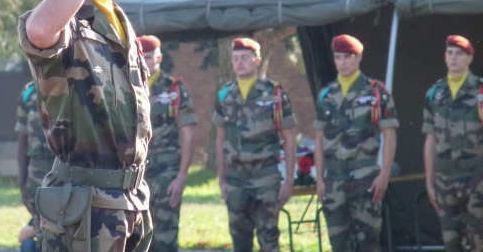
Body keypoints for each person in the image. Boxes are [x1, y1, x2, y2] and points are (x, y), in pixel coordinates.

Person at [18, 0, 152, 252]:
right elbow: (39, 29)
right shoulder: (70, 21)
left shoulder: (118, 19)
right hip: (85, 210)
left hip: (129, 203)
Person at [314, 34, 398, 251]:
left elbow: (389, 134)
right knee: (339, 244)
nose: (343, 63)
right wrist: (320, 179)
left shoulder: (376, 92)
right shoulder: (326, 95)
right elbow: (319, 138)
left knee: (368, 242)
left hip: (365, 178)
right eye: (338, 57)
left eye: (348, 57)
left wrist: (384, 173)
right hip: (334, 180)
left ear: (359, 58)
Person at [213, 37, 297, 252]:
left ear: (257, 60)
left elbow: (289, 137)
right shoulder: (224, 95)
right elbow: (220, 139)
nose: (239, 63)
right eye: (235, 58)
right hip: (235, 179)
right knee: (240, 240)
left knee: (269, 238)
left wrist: (288, 180)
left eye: (245, 58)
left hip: (265, 178)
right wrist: (221, 179)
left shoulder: (275, 94)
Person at [423, 35, 483, 251]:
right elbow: (430, 139)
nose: (453, 58)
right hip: (445, 179)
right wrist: (430, 181)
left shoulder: (480, 91)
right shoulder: (435, 93)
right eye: (449, 53)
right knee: (451, 242)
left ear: (469, 58)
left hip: (476, 178)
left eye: (459, 54)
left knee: (479, 240)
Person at [137, 35, 197, 252]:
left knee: (165, 239)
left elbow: (188, 135)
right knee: (134, 240)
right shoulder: (125, 89)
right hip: (133, 177)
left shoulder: (174, 90)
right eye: (141, 56)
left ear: (159, 58)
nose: (145, 61)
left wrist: (181, 177)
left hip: (165, 174)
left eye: (150, 57)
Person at [15, 80, 55, 251]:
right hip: (37, 181)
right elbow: (22, 140)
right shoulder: (28, 93)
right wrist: (22, 182)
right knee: (41, 237)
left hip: (67, 179)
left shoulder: (73, 85)